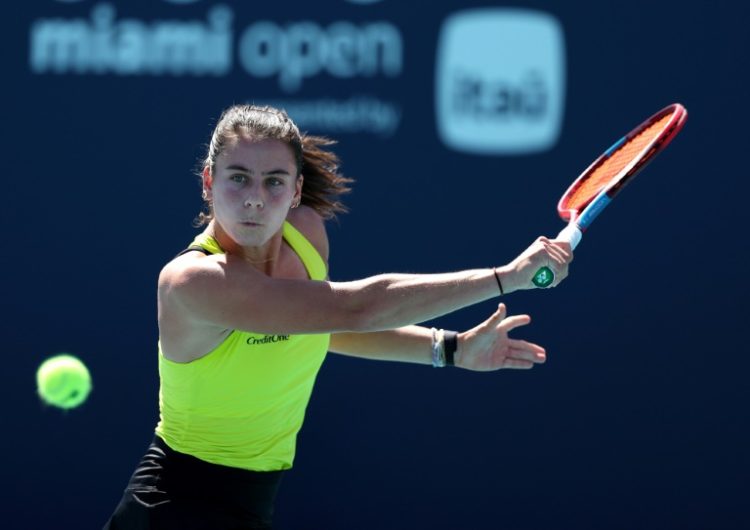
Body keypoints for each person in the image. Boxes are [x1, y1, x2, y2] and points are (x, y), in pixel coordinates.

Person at [104, 104, 572, 529]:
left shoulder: (306, 232)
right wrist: (505, 277)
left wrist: (450, 349)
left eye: (274, 181)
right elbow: (356, 308)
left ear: (295, 191)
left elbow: (322, 330)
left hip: (251, 500)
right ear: (208, 181)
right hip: (173, 506)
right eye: (238, 177)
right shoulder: (193, 282)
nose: (254, 198)